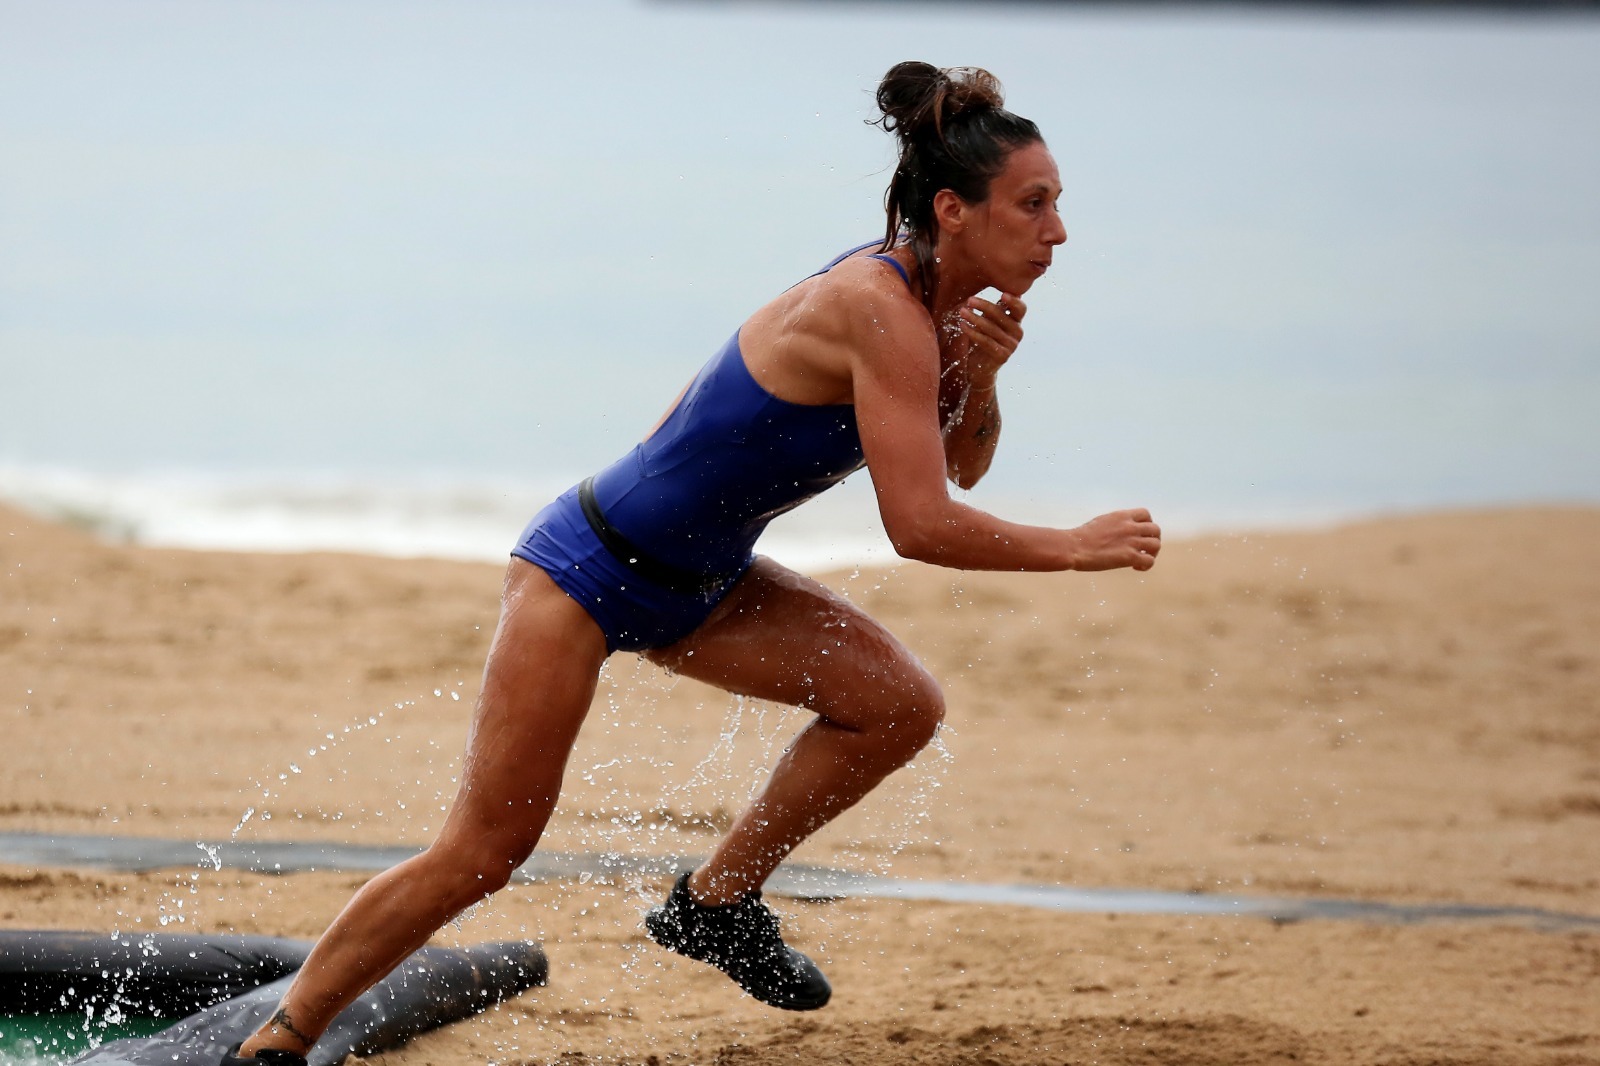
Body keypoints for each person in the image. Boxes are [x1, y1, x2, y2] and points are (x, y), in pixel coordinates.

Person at [222, 59, 1160, 1065]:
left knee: (898, 707)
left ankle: (714, 903)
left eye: (1056, 203)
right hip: (584, 572)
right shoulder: (875, 304)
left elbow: (964, 463)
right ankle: (282, 1039)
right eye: (1034, 204)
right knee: (484, 853)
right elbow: (921, 524)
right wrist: (1073, 546)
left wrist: (978, 373)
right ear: (953, 209)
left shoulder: (933, 315)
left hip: (705, 588)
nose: (1058, 231)